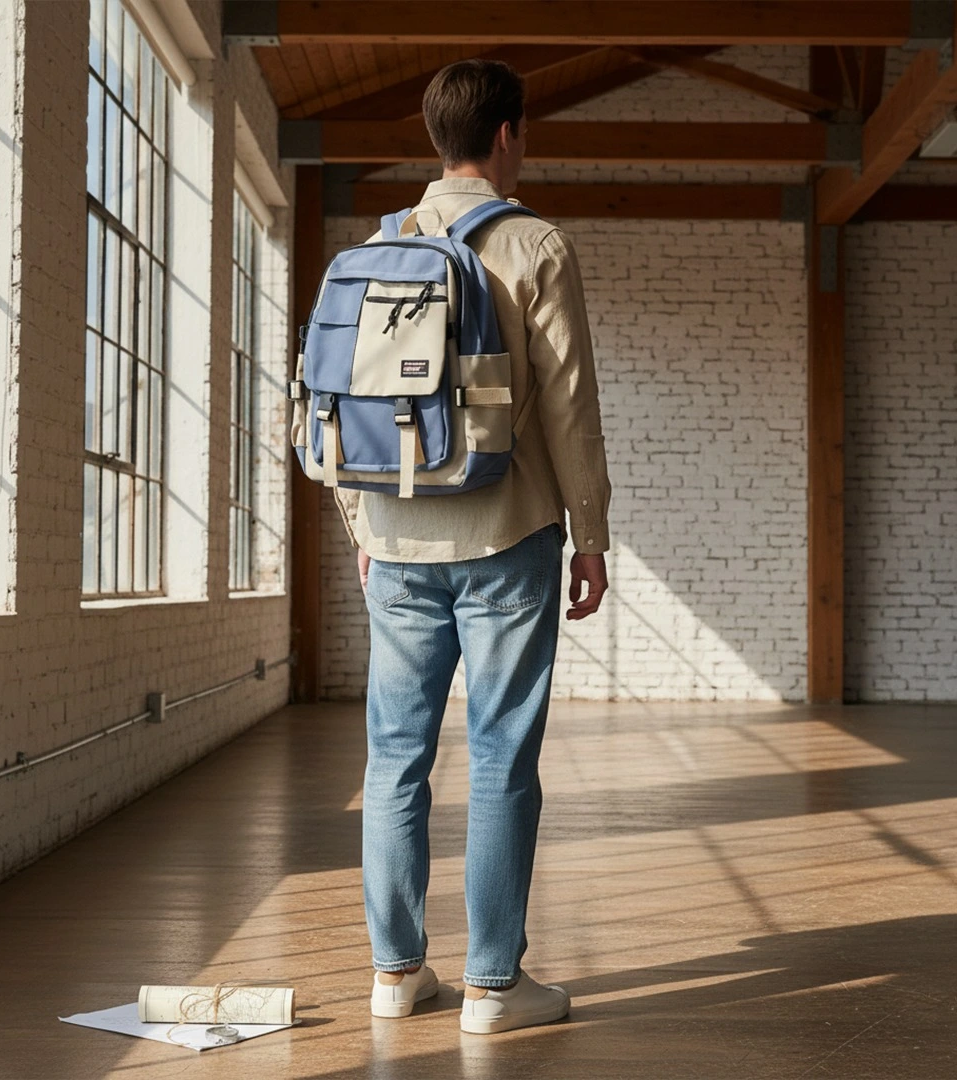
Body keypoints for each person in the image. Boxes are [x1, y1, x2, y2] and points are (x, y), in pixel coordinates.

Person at [333, 58, 612, 1035]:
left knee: (394, 760)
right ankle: (493, 987)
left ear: (433, 139)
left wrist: (363, 526)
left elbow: (347, 406)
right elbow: (571, 407)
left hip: (397, 537)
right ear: (506, 137)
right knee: (500, 758)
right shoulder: (536, 243)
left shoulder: (378, 244)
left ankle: (395, 973)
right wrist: (592, 535)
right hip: (507, 533)